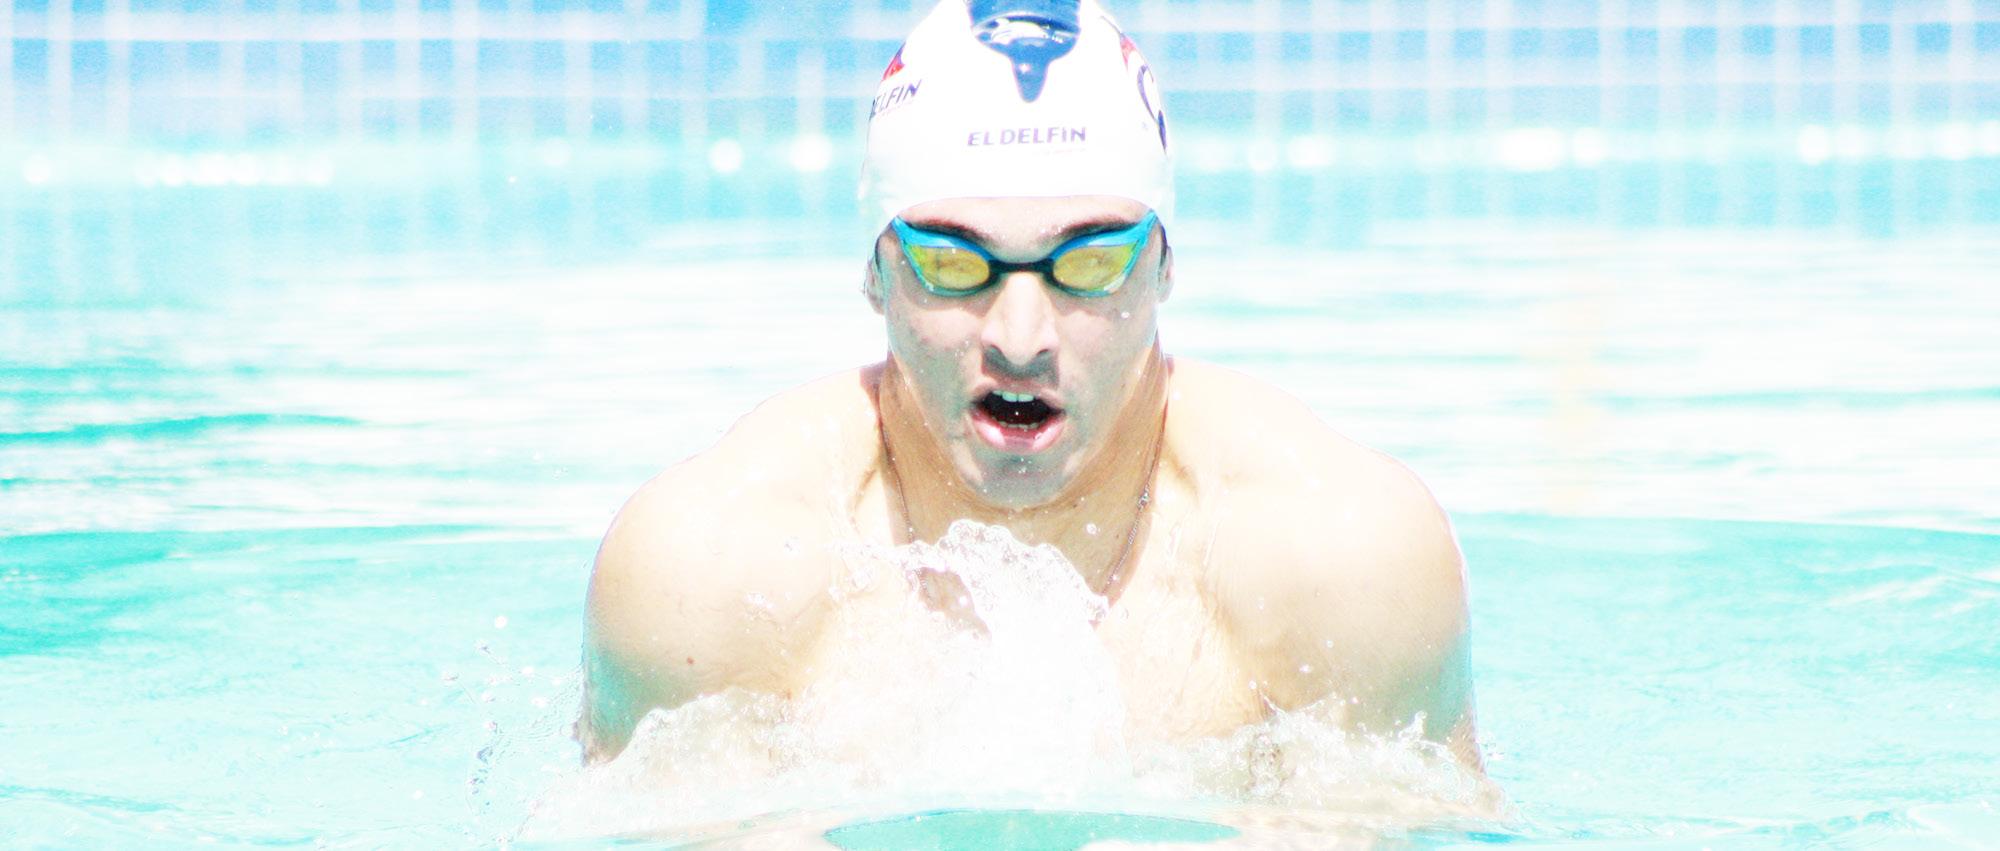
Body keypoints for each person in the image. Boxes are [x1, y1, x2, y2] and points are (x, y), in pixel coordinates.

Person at [580, 0, 1482, 779]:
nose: (1020, 338)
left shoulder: (1338, 564)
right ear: (876, 272)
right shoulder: (713, 576)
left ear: (1163, 264)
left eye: (1087, 262)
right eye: (952, 262)